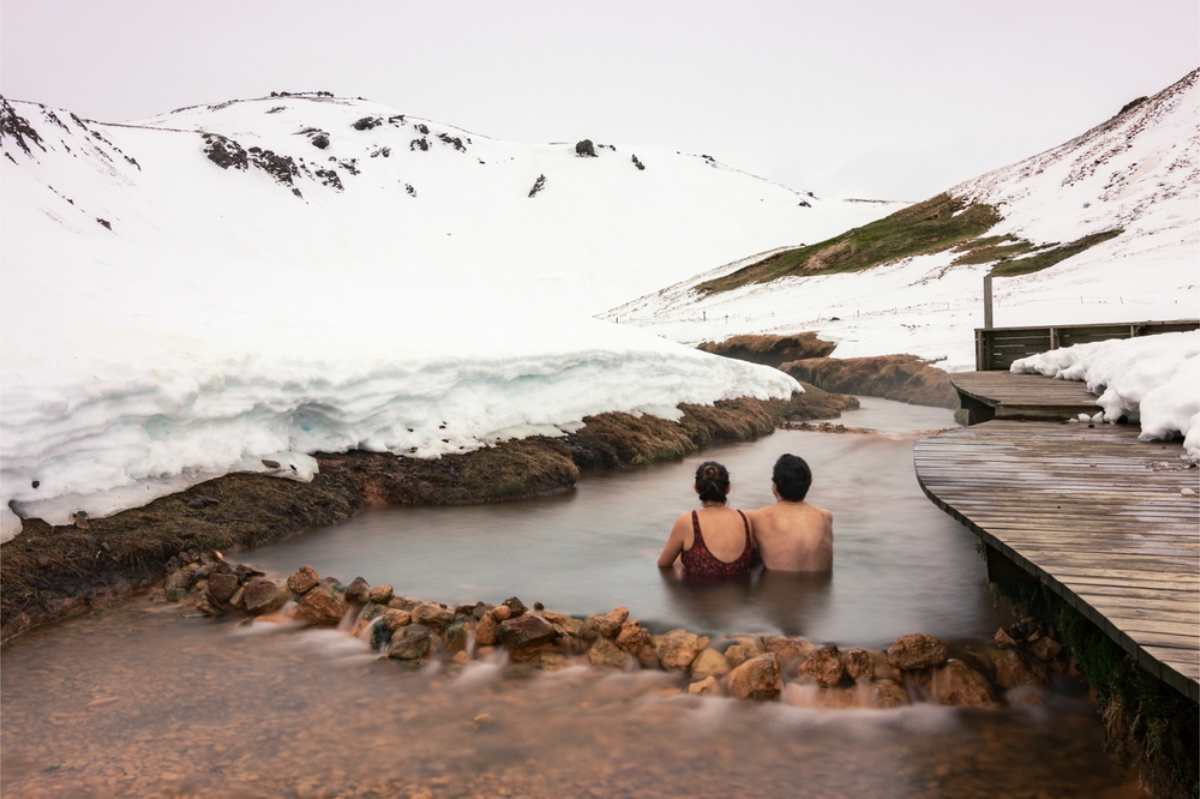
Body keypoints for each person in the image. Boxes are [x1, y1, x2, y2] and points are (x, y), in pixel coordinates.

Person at [657, 461, 756, 579]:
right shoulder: (744, 519)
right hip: (740, 588)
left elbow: (663, 565)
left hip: (698, 588)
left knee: (678, 555)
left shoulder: (687, 521)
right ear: (728, 488)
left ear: (696, 488)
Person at [748, 454, 832, 572]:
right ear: (809, 483)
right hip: (821, 583)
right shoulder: (826, 517)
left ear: (775, 486)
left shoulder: (756, 517)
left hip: (778, 583)